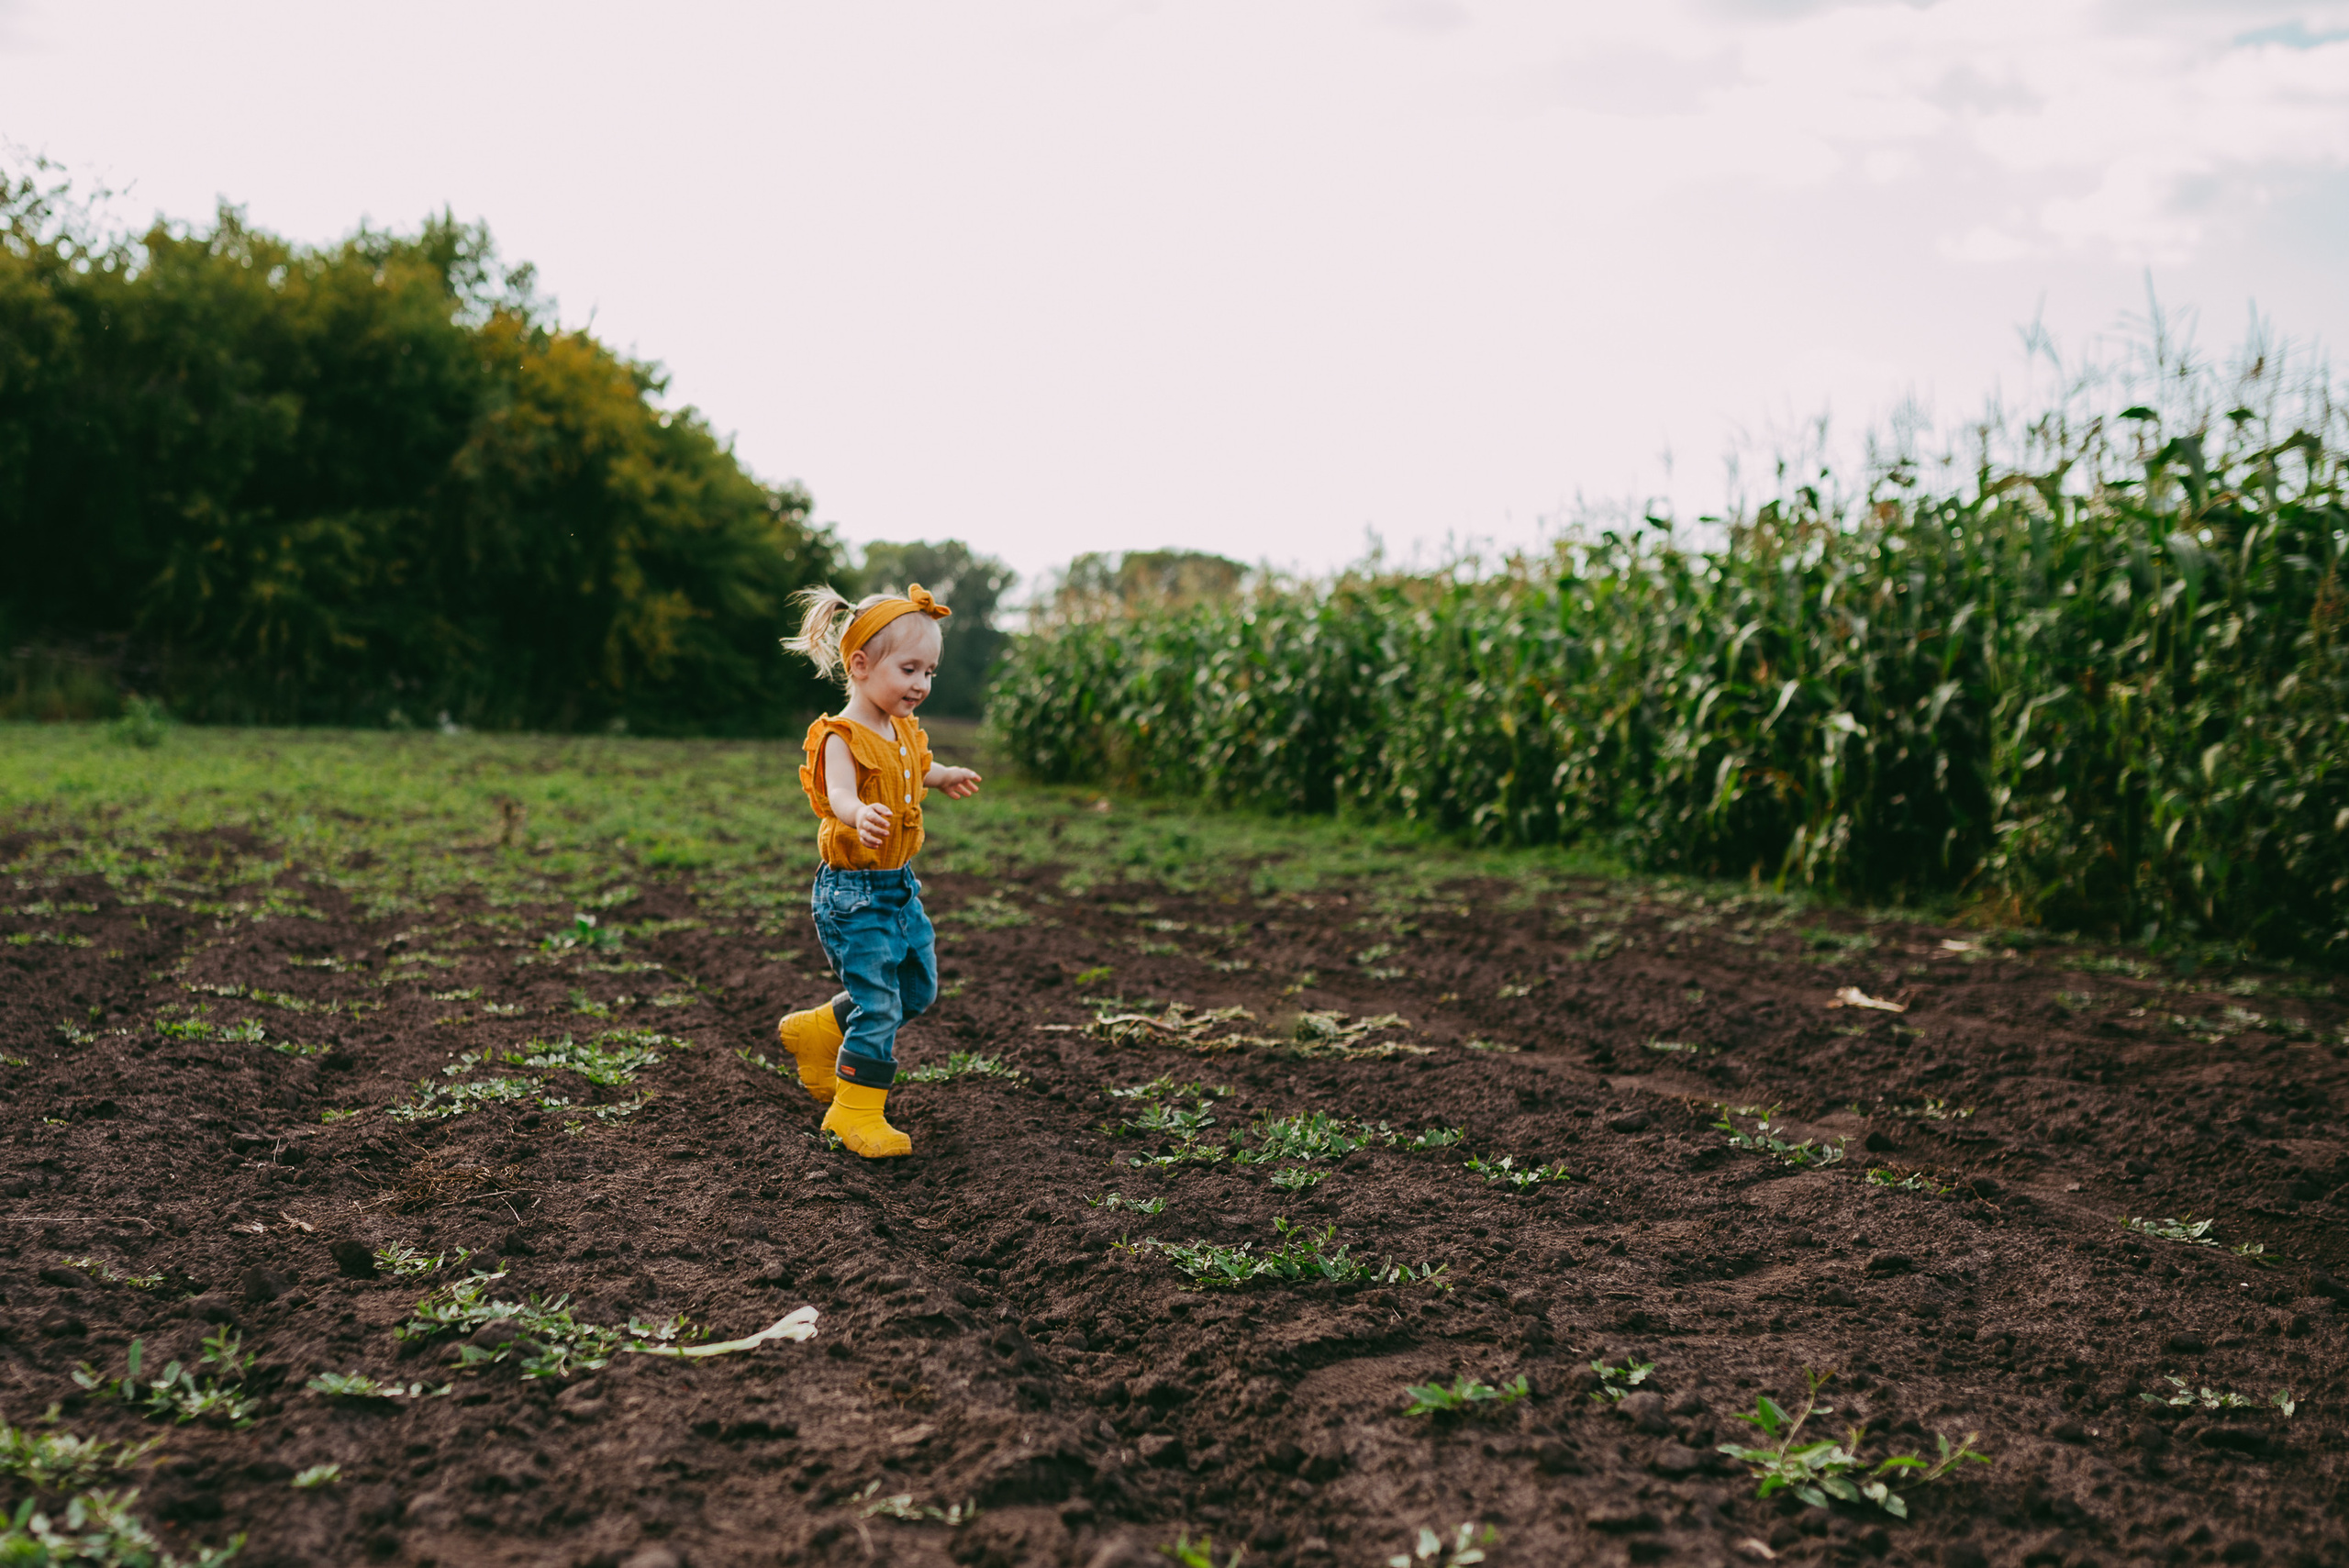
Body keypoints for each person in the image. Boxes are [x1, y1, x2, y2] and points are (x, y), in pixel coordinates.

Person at [772, 583, 983, 1158]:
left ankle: (820, 1029)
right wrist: (858, 812)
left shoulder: (902, 729)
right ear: (860, 665)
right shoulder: (839, 736)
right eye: (910, 668)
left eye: (930, 672)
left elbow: (917, 764)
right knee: (881, 1004)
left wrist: (944, 775)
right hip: (853, 894)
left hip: (898, 889)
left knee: (916, 988)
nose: (922, 684)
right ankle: (854, 1113)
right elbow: (839, 793)